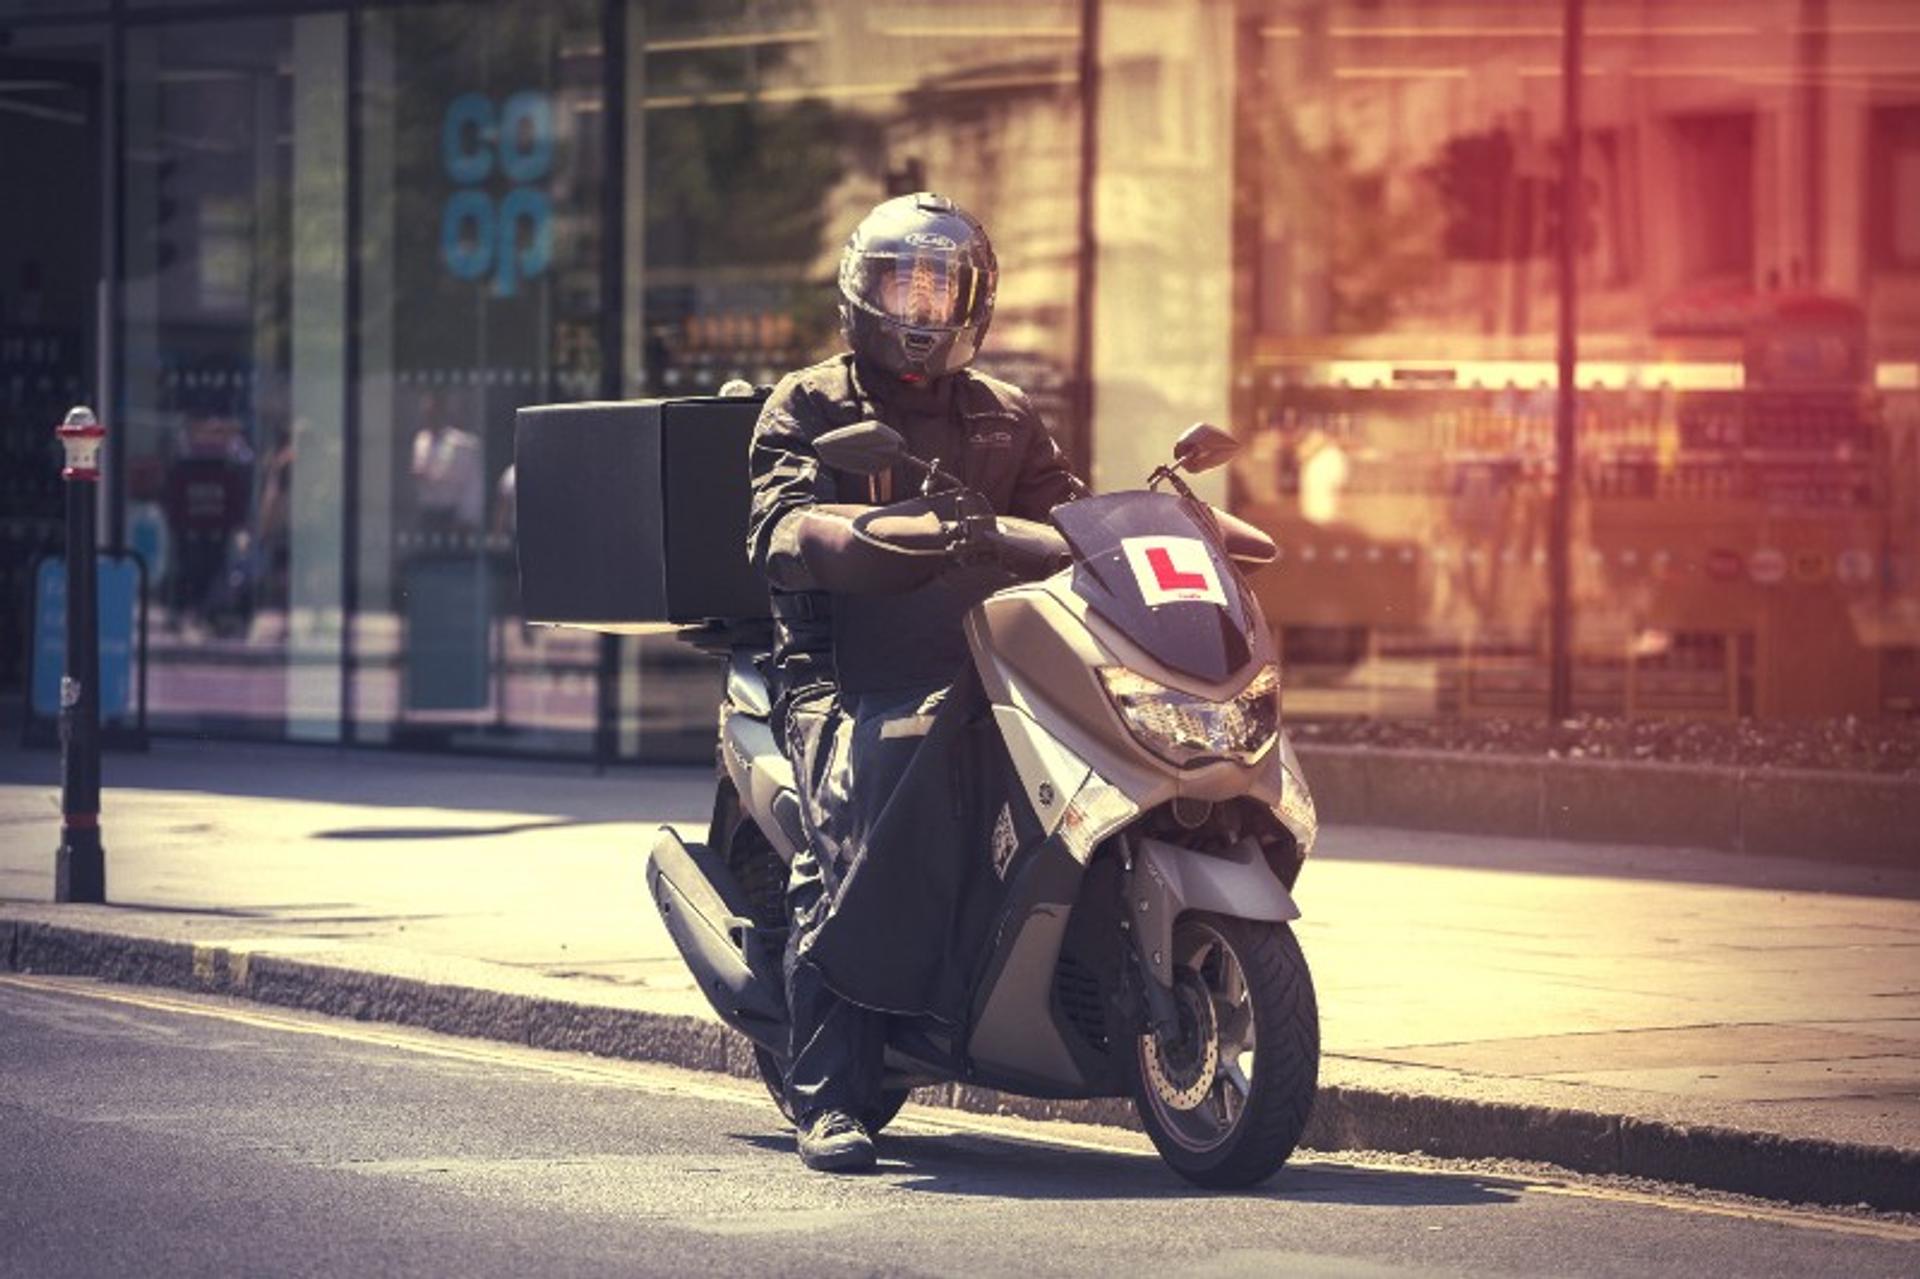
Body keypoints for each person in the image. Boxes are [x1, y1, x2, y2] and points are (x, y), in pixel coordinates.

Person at [745, 192, 1082, 1173]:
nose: (923, 308)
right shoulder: (809, 404)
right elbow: (775, 524)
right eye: (905, 287)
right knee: (854, 829)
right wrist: (835, 536)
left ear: (974, 302)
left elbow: (1068, 521)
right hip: (840, 670)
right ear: (864, 290)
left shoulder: (1004, 415)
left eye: (941, 290)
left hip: (983, 664)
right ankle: (828, 1098)